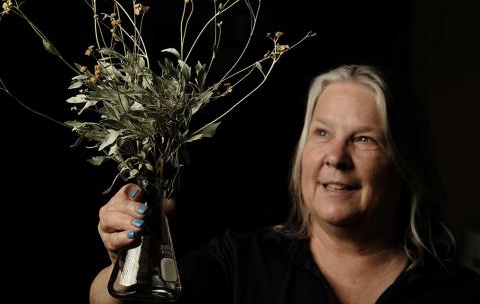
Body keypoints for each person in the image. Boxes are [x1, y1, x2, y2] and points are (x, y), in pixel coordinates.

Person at [89, 64, 480, 304]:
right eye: (322, 133)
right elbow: (112, 303)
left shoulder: (457, 291)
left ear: (404, 163)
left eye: (365, 139)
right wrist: (128, 259)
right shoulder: (239, 264)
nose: (336, 157)